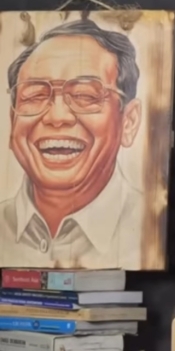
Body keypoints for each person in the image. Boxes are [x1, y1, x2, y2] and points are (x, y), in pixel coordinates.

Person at [0, 18, 144, 270]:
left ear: (129, 122)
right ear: (13, 122)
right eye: (34, 96)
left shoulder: (150, 226)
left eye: (84, 95)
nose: (57, 117)